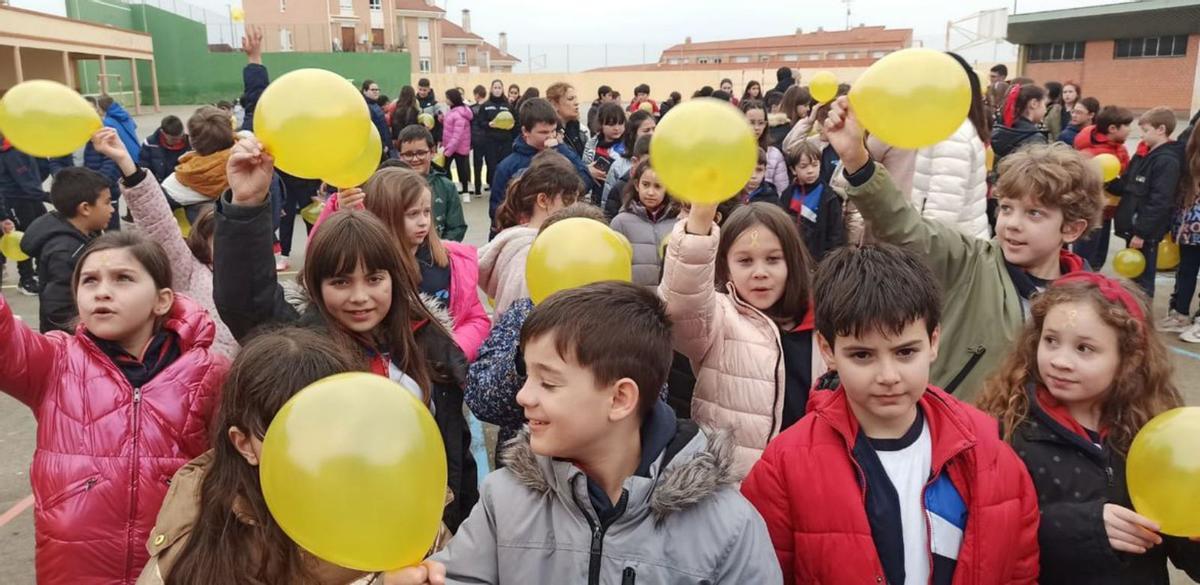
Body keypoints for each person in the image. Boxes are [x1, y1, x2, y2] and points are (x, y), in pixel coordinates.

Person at [424, 282, 782, 584]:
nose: (522, 396)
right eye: (527, 375)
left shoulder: (726, 526)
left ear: (620, 398)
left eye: (547, 382)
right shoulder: (504, 500)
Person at [212, 137, 477, 532]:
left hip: (424, 526)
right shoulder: (303, 349)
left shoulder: (430, 344)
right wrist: (248, 205)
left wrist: (461, 523)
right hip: (336, 531)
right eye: (340, 281)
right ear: (316, 287)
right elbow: (246, 302)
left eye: (374, 279)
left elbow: (456, 449)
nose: (360, 297)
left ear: (395, 277)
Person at [741, 243, 1040, 584]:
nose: (888, 376)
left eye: (905, 352)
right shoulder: (784, 466)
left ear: (934, 341)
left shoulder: (989, 453)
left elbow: (1019, 570)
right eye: (863, 355)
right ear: (828, 351)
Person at [820, 95, 1103, 401]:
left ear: (1073, 227)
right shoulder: (972, 262)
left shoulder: (1091, 300)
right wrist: (857, 161)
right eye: (1006, 208)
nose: (1011, 224)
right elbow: (905, 226)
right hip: (962, 429)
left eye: (1034, 213)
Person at [137, 328, 458, 585]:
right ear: (244, 443)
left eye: (335, 425)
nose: (322, 446)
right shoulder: (198, 519)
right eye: (294, 434)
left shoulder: (398, 505)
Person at [1, 231, 228, 584]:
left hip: (175, 567)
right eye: (89, 280)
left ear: (162, 300)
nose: (102, 291)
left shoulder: (210, 373)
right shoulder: (54, 361)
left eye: (123, 278)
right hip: (73, 572)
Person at [978, 273, 1200, 584]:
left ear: (1130, 359)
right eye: (1051, 341)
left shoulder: (1154, 433)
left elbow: (1177, 539)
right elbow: (986, 537)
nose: (1060, 361)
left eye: (1084, 349)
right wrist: (1085, 528)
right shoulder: (1009, 429)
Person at [659, 201, 824, 473]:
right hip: (734, 487)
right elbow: (681, 306)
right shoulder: (719, 318)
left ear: (792, 261)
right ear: (725, 266)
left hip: (804, 479)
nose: (760, 272)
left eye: (773, 259)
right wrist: (699, 222)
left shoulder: (823, 324)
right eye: (745, 261)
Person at [467, 203, 608, 468]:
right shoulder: (522, 315)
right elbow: (481, 398)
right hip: (529, 467)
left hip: (600, 469)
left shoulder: (625, 324)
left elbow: (650, 399)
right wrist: (523, 358)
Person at [91, 127, 238, 358]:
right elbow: (158, 224)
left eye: (237, 238)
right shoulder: (189, 271)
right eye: (220, 238)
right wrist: (128, 166)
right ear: (204, 241)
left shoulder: (256, 279)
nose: (229, 247)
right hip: (192, 381)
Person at [480, 150, 583, 315]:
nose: (576, 207)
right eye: (568, 200)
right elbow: (518, 319)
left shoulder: (534, 243)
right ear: (543, 200)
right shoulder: (528, 254)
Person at [19, 167, 111, 332]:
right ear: (85, 209)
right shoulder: (66, 253)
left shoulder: (86, 234)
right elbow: (59, 310)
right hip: (71, 340)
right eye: (107, 202)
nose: (112, 209)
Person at [910, 51, 991, 239]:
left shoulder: (950, 135)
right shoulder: (950, 125)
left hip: (953, 252)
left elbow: (941, 213)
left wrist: (920, 248)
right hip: (960, 243)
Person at [489, 98, 592, 232]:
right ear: (526, 131)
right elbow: (497, 210)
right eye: (543, 132)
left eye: (553, 131)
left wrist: (562, 148)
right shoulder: (508, 166)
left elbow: (585, 182)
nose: (550, 136)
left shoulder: (562, 153)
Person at [1112, 106, 1182, 298]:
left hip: (1144, 231)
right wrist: (1109, 181)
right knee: (1132, 276)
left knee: (1143, 279)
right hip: (1133, 227)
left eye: (1146, 131)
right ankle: (1132, 311)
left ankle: (1141, 316)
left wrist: (1142, 231)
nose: (1142, 136)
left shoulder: (1167, 161)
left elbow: (1160, 200)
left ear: (1161, 130)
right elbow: (1127, 184)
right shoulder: (1143, 155)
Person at [1072, 105, 1135, 269]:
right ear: (1113, 128)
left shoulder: (1118, 148)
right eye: (1127, 126)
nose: (1130, 130)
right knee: (1085, 258)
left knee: (1099, 257)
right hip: (1091, 212)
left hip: (1107, 212)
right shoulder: (1093, 152)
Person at [610, 159, 680, 287]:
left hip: (668, 299)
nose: (651, 192)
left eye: (658, 186)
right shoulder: (621, 222)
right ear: (637, 185)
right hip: (634, 298)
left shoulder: (678, 224)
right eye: (646, 185)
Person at [162, 106, 237, 222]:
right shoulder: (254, 160)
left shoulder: (180, 181)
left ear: (192, 141)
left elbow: (153, 212)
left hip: (198, 235)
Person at [395, 125, 468, 242]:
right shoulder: (391, 186)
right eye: (408, 154)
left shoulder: (446, 186)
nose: (415, 159)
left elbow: (457, 227)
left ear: (432, 152)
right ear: (400, 156)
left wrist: (439, 249)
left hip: (439, 252)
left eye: (420, 153)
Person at [0, 134, 51, 295]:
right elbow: (25, 181)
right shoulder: (10, 153)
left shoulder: (24, 143)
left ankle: (38, 271)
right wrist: (48, 196)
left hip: (31, 196)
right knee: (24, 237)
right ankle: (26, 279)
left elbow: (40, 170)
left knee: (42, 232)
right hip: (15, 199)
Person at [780, 140, 844, 261]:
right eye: (803, 166)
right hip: (793, 256)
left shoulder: (829, 196)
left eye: (815, 165)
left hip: (819, 258)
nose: (810, 170)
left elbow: (835, 234)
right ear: (793, 170)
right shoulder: (787, 194)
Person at [1168, 128, 1200, 341]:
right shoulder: (1189, 156)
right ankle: (1180, 314)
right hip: (1190, 226)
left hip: (1192, 223)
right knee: (1187, 268)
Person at [602, 110, 656, 208]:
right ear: (633, 134)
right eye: (646, 130)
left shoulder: (665, 163)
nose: (652, 134)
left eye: (654, 129)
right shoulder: (619, 166)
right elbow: (607, 200)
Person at [991, 83, 1049, 167]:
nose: (1045, 110)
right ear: (1034, 103)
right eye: (1044, 105)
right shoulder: (1035, 139)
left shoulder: (999, 131)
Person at [582, 102, 626, 204]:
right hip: (594, 196)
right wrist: (589, 172)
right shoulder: (592, 144)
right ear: (601, 124)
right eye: (611, 124)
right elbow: (584, 166)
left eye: (620, 123)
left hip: (617, 199)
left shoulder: (628, 146)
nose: (617, 128)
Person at [742, 99, 789, 193]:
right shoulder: (731, 152)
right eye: (751, 123)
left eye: (760, 123)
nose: (756, 128)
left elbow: (782, 190)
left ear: (766, 124)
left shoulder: (774, 154)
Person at [603, 134, 653, 221]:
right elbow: (609, 220)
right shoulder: (620, 187)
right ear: (634, 162)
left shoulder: (667, 187)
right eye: (646, 163)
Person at [479, 80, 517, 191]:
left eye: (499, 87)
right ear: (491, 89)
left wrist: (512, 127)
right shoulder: (485, 105)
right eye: (495, 87)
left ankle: (506, 187)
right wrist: (489, 124)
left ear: (502, 89)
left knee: (505, 164)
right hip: (491, 141)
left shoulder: (508, 105)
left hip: (506, 141)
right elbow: (480, 122)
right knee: (492, 165)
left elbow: (516, 121)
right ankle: (493, 187)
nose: (497, 90)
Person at [441, 88, 474, 196]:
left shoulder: (459, 114)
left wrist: (448, 149)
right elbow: (450, 127)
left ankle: (463, 193)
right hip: (452, 146)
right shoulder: (453, 110)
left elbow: (457, 135)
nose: (445, 100)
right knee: (453, 169)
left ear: (452, 99)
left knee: (458, 170)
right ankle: (452, 191)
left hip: (456, 147)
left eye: (447, 98)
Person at [138, 114, 192, 183]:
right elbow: (144, 167)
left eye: (181, 137)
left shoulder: (190, 143)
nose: (178, 141)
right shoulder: (149, 144)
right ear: (163, 133)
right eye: (174, 139)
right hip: (158, 185)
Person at [546, 82, 586, 157]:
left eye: (576, 98)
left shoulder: (577, 128)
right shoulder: (550, 134)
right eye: (570, 99)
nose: (577, 103)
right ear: (554, 104)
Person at [361, 79, 395, 160]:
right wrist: (383, 145)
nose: (376, 92)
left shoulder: (375, 104)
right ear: (365, 91)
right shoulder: (365, 107)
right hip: (378, 147)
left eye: (377, 90)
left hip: (386, 146)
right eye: (373, 90)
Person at [468, 85, 489, 197]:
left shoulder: (472, 108)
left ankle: (477, 188)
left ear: (476, 95)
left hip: (476, 139)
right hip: (488, 138)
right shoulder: (489, 106)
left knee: (477, 164)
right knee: (491, 163)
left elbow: (470, 125)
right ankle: (490, 184)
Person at [417, 78, 443, 146]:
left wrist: (440, 138)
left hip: (431, 137)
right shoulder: (414, 102)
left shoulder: (435, 104)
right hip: (417, 136)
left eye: (424, 90)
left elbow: (439, 123)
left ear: (429, 89)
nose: (422, 92)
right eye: (420, 89)